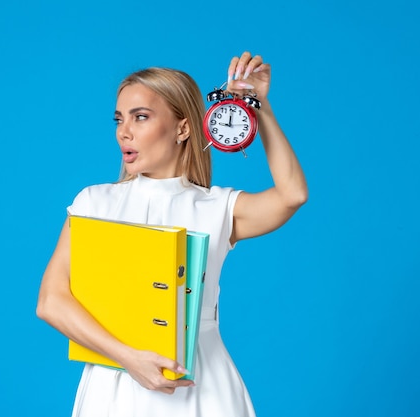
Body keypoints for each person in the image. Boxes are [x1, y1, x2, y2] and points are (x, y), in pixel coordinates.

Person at [36, 51, 308, 416]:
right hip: (113, 387)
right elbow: (51, 301)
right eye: (119, 119)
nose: (124, 131)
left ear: (183, 128)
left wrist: (257, 106)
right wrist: (129, 359)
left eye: (141, 117)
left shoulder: (217, 207)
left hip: (202, 387)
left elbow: (293, 195)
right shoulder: (93, 202)